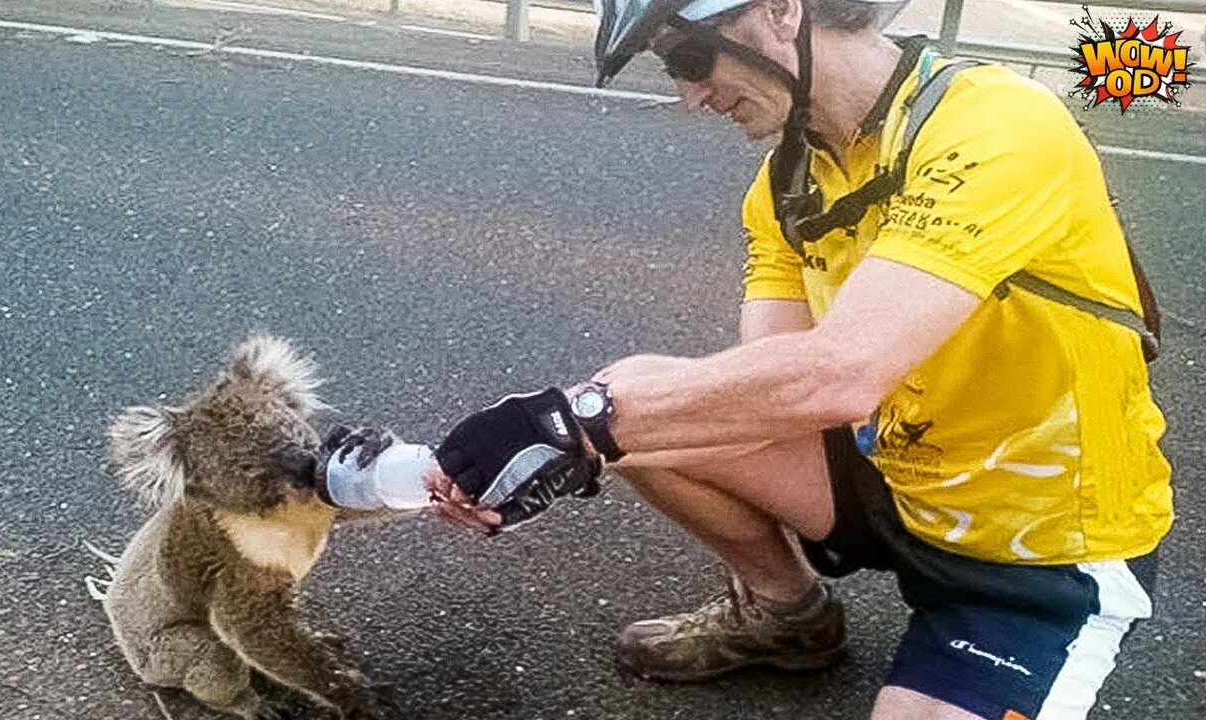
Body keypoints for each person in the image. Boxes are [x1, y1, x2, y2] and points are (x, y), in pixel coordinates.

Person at [374, 1, 1176, 718]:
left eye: (690, 60)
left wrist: (574, 421)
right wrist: (579, 426)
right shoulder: (786, 183)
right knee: (634, 395)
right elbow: (772, 383)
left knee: (613, 409)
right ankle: (787, 617)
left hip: (1039, 551)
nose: (691, 99)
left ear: (782, 9)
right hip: (896, 475)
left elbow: (840, 372)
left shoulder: (995, 124)